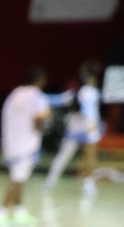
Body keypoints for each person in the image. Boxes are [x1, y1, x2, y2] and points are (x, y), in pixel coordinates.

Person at [0, 67, 51, 227]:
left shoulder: (14, 94)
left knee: (18, 177)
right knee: (17, 180)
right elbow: (40, 119)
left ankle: (20, 211)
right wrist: (44, 126)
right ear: (40, 80)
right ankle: (0, 212)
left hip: (10, 143)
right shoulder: (37, 97)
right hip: (27, 145)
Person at [46, 61, 107, 195]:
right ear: (92, 78)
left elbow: (57, 100)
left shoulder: (74, 92)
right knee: (90, 158)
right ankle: (89, 186)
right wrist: (93, 128)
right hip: (88, 129)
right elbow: (89, 111)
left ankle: (50, 181)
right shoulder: (91, 92)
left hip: (74, 128)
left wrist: (40, 97)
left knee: (63, 156)